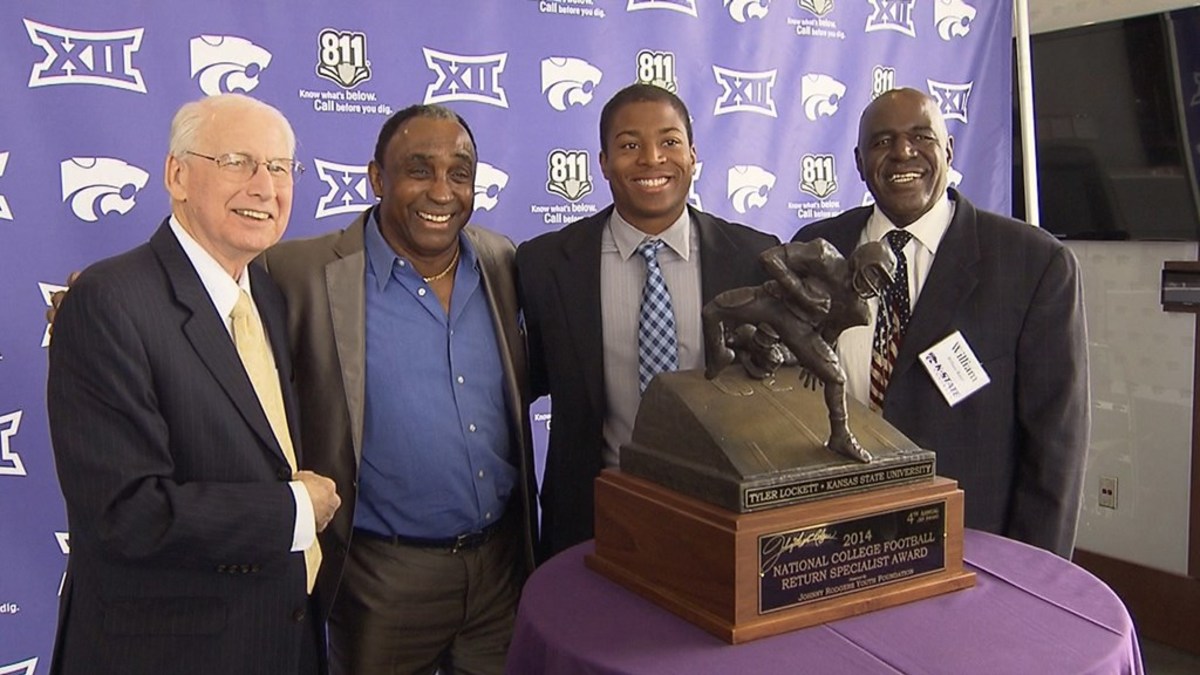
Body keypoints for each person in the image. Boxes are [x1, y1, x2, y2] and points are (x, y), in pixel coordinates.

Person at [46, 94, 340, 674]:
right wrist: (295, 512)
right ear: (177, 175)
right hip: (168, 652)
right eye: (238, 161)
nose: (264, 187)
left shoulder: (268, 298)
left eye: (280, 168)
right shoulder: (108, 302)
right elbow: (125, 513)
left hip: (280, 640)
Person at [261, 104, 537, 675]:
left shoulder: (502, 261)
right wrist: (103, 296)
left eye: (459, 174)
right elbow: (207, 315)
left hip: (501, 574)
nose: (441, 191)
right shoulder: (296, 273)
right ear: (377, 178)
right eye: (419, 170)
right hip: (380, 581)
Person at [793, 87, 1089, 558]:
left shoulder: (1034, 265)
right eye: (882, 140)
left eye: (920, 136)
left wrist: (1037, 576)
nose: (902, 152)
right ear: (857, 160)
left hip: (968, 551)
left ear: (948, 151)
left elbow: (1055, 446)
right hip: (828, 541)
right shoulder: (817, 248)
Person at [517, 84, 780, 559]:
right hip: (591, 521)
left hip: (725, 519)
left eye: (670, 142)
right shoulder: (546, 265)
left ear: (693, 155)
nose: (652, 159)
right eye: (629, 145)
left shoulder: (755, 258)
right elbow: (527, 379)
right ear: (602, 162)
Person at [702, 239, 897, 462]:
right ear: (860, 259)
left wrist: (819, 359)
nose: (874, 283)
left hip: (801, 330)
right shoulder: (823, 255)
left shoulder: (859, 310)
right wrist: (800, 292)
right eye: (875, 273)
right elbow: (769, 257)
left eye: (881, 280)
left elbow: (832, 331)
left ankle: (841, 435)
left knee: (837, 378)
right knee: (712, 311)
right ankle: (722, 353)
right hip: (774, 302)